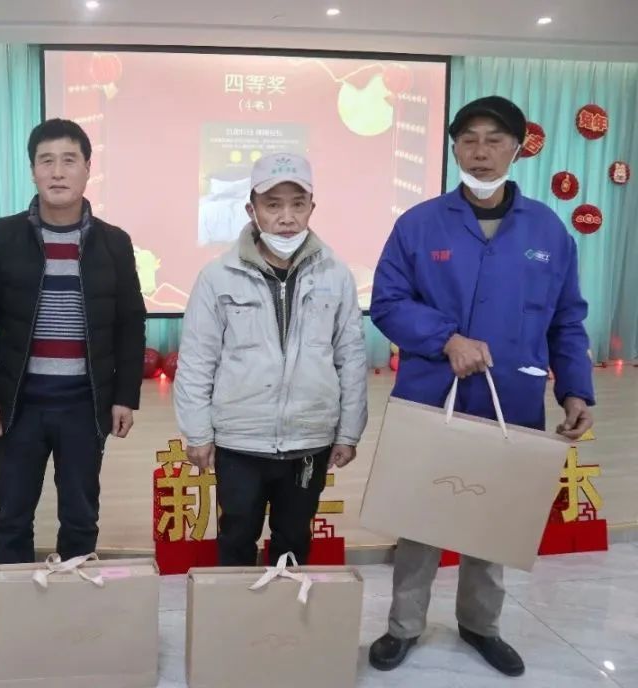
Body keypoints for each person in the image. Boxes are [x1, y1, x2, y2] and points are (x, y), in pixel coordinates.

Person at [368, 96, 595, 677]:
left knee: (491, 518)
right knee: (420, 516)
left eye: (495, 140)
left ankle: (480, 624)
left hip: (511, 399)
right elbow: (388, 302)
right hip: (431, 394)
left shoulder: (548, 230)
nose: (481, 151)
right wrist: (446, 338)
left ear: (517, 149)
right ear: (454, 150)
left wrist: (575, 389)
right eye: (468, 139)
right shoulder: (419, 224)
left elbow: (567, 319)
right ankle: (404, 626)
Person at [0, 118, 147, 655]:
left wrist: (125, 396)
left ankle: (72, 606)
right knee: (12, 515)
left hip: (84, 405)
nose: (58, 171)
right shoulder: (4, 236)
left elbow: (131, 323)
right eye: (47, 160)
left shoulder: (113, 243)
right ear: (33, 171)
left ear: (88, 169)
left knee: (80, 515)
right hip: (19, 403)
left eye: (70, 160)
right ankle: (11, 611)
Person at [175, 152, 368, 567]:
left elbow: (351, 357)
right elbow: (196, 360)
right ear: (252, 210)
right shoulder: (218, 276)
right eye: (273, 205)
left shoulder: (335, 274)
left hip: (308, 438)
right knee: (236, 535)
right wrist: (197, 432)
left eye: (298, 204)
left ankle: (284, 611)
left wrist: (349, 431)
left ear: (312, 208)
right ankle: (234, 608)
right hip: (239, 439)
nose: (286, 217)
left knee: (294, 540)